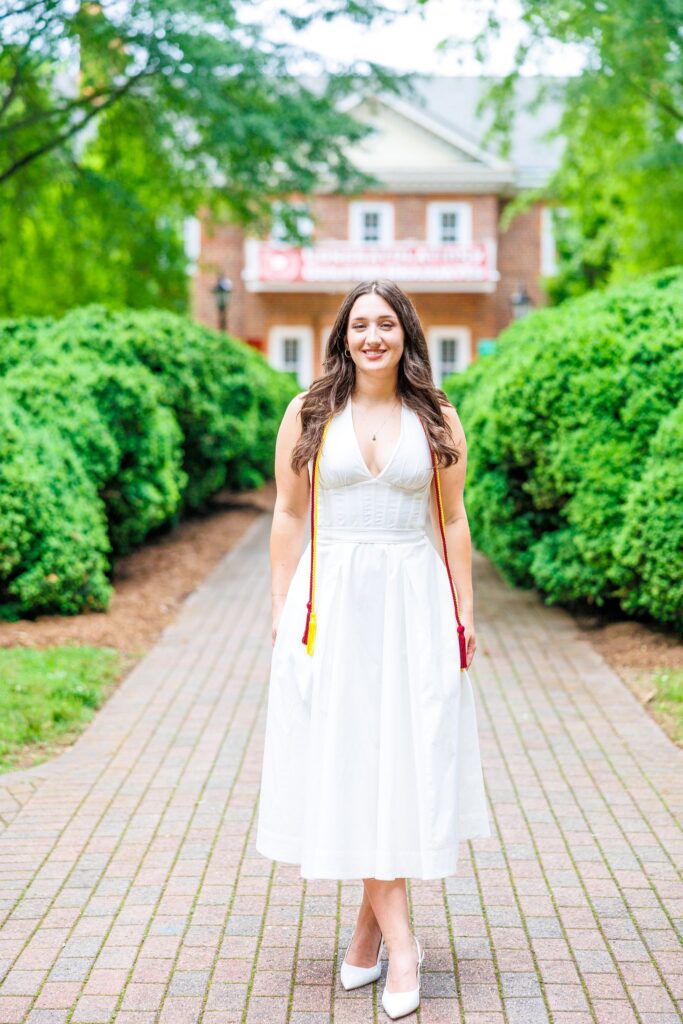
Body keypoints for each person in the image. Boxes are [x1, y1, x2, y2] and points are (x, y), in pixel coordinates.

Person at [255, 278, 490, 1019]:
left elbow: (451, 520)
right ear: (342, 335)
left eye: (385, 323)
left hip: (413, 603)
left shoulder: (437, 414)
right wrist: (280, 610)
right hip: (333, 605)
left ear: (405, 334)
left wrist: (464, 608)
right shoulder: (310, 413)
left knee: (404, 762)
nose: (372, 336)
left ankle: (366, 938)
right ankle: (403, 947)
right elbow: (288, 516)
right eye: (359, 324)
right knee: (352, 760)